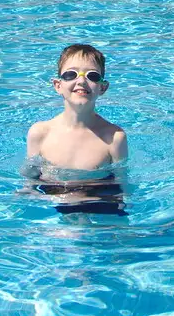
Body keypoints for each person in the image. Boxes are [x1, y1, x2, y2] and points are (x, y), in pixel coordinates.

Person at [26, 44, 129, 214]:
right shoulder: (40, 133)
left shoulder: (114, 137)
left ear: (102, 87)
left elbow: (122, 184)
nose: (81, 81)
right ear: (57, 85)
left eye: (92, 76)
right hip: (52, 197)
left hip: (100, 200)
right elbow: (30, 179)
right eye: (71, 74)